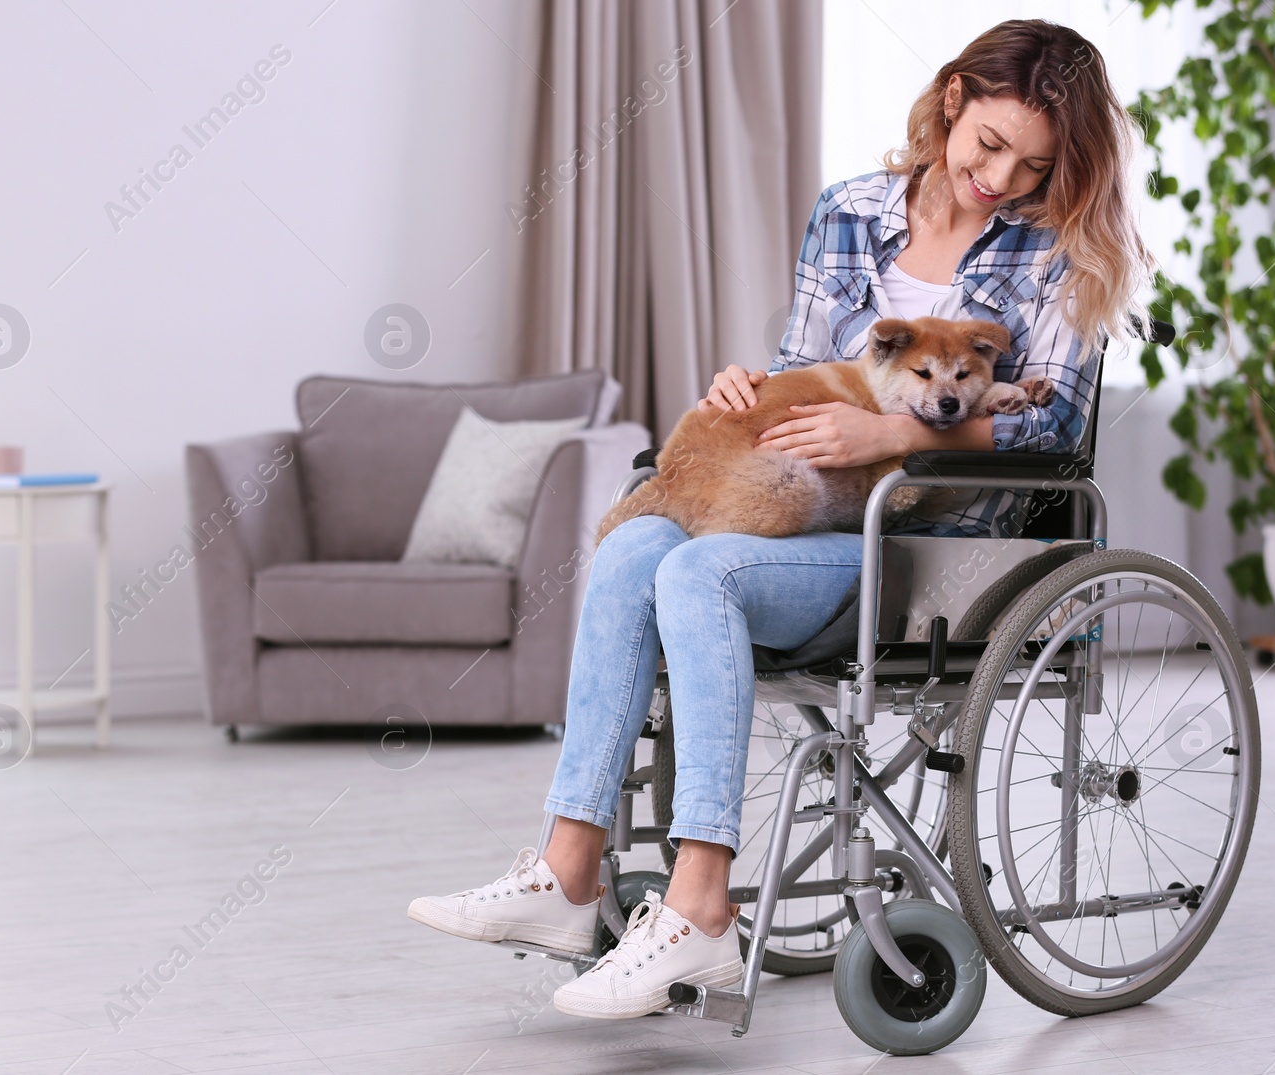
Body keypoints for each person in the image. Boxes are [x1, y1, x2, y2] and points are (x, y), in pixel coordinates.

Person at [409, 18, 1154, 1021]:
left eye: (1031, 165)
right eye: (987, 146)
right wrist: (744, 387)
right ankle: (567, 870)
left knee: (699, 571)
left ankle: (702, 904)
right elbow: (802, 363)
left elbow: (1053, 433)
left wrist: (887, 431)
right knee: (636, 542)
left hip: (934, 552)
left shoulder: (1056, 250)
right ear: (951, 104)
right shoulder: (849, 211)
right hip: (800, 511)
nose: (999, 177)